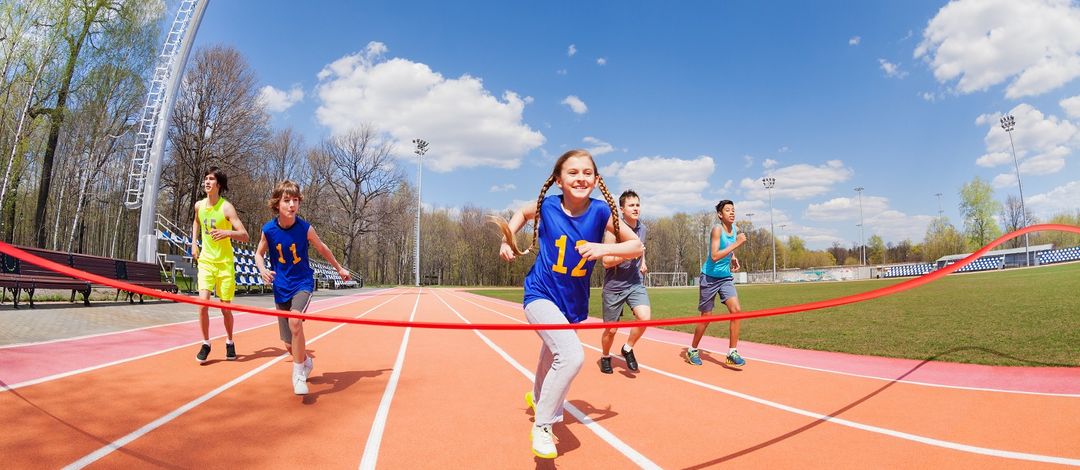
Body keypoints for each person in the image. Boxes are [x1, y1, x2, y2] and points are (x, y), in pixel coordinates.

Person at [492, 149, 644, 460]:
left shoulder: (602, 212)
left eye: (587, 172)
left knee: (551, 352)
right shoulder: (548, 206)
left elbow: (636, 245)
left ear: (597, 179)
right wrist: (508, 240)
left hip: (572, 303)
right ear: (559, 180)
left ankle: (538, 397)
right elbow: (521, 213)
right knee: (571, 354)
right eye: (572, 172)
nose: (580, 178)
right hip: (540, 294)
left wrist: (601, 248)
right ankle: (544, 424)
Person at [254, 180, 351, 395]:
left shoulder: (305, 228)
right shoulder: (268, 230)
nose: (292, 205)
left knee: (295, 320)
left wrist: (339, 268)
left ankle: (298, 374)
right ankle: (305, 361)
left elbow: (323, 248)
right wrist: (262, 269)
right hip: (281, 286)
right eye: (287, 201)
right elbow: (258, 254)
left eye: (295, 201)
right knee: (289, 344)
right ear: (277, 204)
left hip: (302, 283)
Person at [192, 167, 249, 363]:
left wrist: (227, 233)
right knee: (202, 305)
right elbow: (196, 223)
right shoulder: (199, 205)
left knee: (225, 308)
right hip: (206, 261)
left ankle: (230, 341)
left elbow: (244, 235)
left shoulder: (226, 208)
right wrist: (194, 244)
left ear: (219, 185)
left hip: (225, 263)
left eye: (211, 179)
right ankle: (206, 343)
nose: (207, 182)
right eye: (205, 179)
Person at [687, 199, 747, 368]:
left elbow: (728, 248)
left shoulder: (734, 229)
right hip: (709, 277)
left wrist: (733, 257)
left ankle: (732, 352)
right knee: (706, 318)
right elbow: (714, 255)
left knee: (736, 311)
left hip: (725, 277)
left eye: (733, 210)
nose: (732, 212)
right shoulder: (717, 229)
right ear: (720, 215)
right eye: (728, 210)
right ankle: (692, 349)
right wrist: (737, 244)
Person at [598, 190, 651, 374]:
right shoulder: (614, 231)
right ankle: (605, 356)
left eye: (637, 205)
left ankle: (627, 348)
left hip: (635, 282)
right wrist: (628, 254)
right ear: (622, 209)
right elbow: (606, 261)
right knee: (611, 331)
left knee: (644, 318)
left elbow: (640, 247)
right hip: (614, 287)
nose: (636, 208)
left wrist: (642, 260)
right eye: (631, 205)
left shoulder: (642, 228)